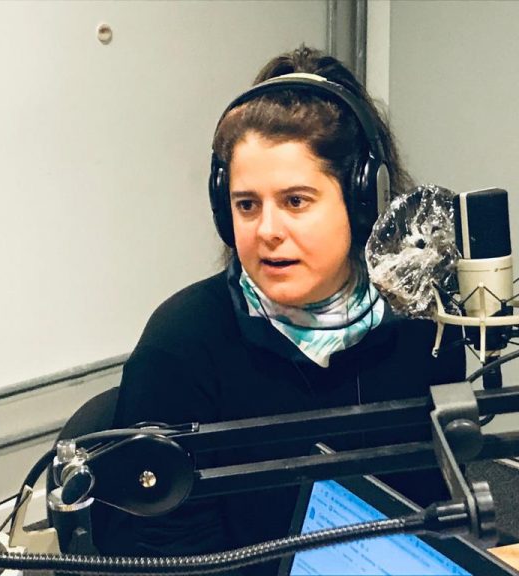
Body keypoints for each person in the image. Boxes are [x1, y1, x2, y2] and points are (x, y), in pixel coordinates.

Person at [97, 46, 465, 574]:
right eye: (247, 205)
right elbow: (162, 549)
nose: (267, 230)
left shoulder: (423, 325)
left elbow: (434, 507)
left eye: (295, 201)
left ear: (363, 201)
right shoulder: (182, 343)